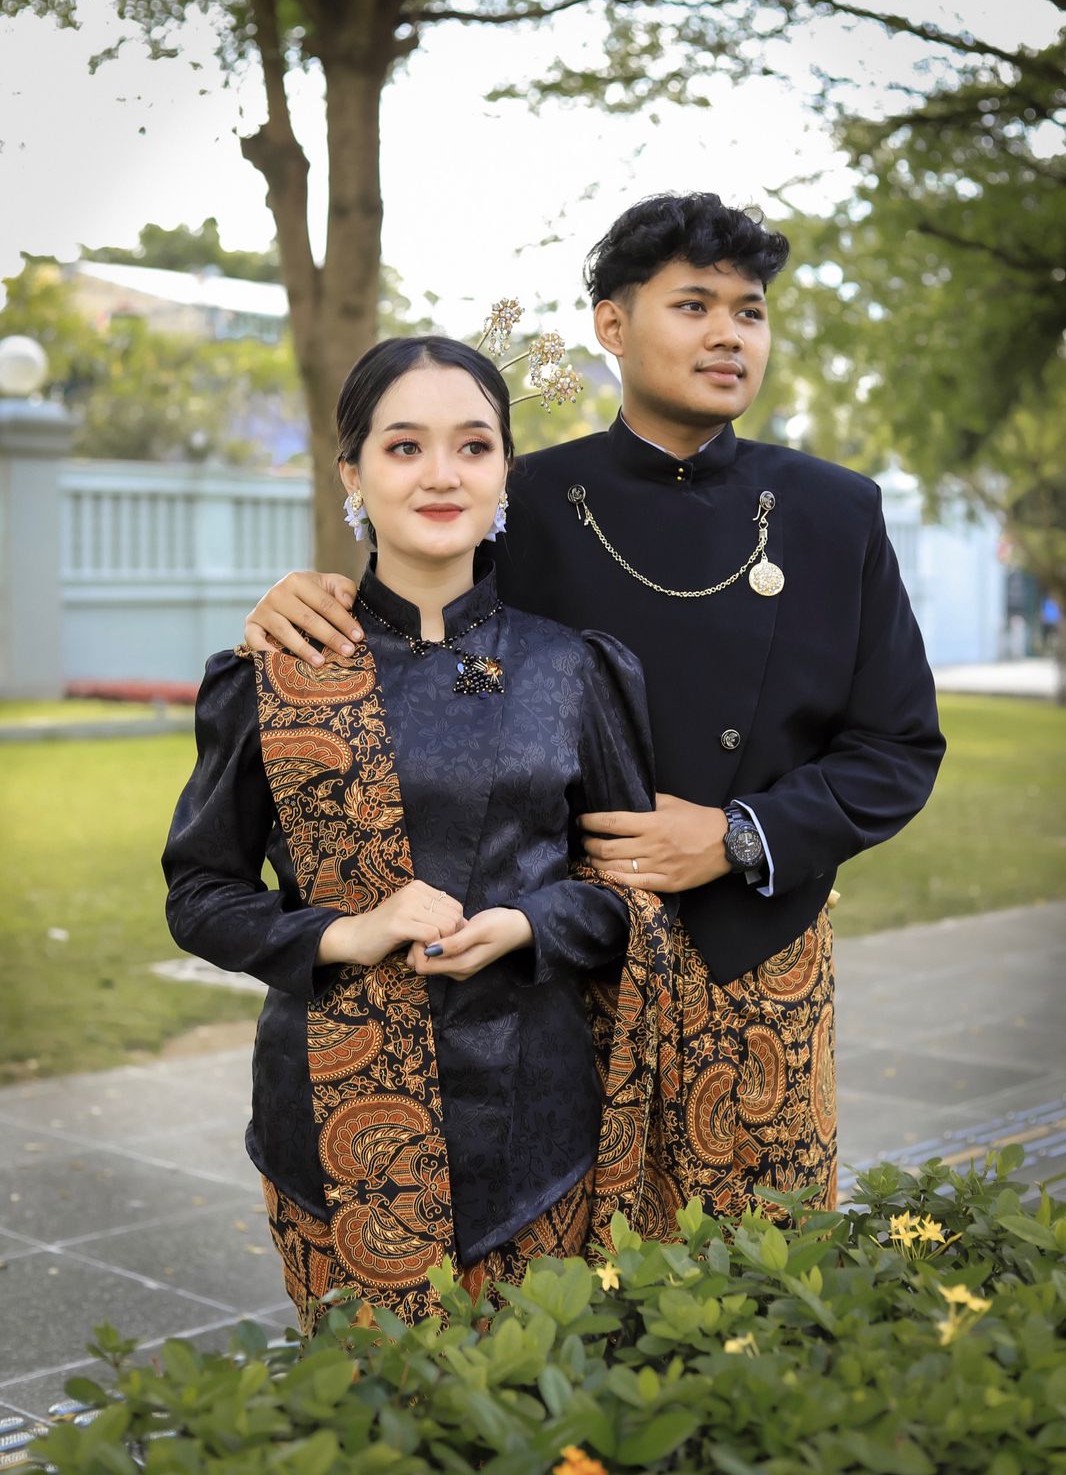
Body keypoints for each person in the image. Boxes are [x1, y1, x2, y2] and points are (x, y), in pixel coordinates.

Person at [244, 192, 946, 1217]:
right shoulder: (514, 499)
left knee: (768, 1263)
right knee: (570, 1277)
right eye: (693, 305)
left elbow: (898, 746)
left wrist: (736, 836)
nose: (728, 335)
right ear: (611, 325)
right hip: (552, 969)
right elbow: (405, 641)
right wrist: (297, 597)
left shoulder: (836, 511)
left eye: (749, 312)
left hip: (759, 960)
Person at [163, 335, 668, 1332]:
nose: (442, 474)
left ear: (504, 471)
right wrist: (343, 934)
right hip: (333, 1125)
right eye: (404, 447)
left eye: (473, 446)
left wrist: (529, 924)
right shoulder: (276, 672)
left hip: (537, 1120)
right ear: (352, 474)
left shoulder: (570, 669)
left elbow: (633, 890)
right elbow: (199, 894)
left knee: (534, 1393)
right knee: (366, 1400)